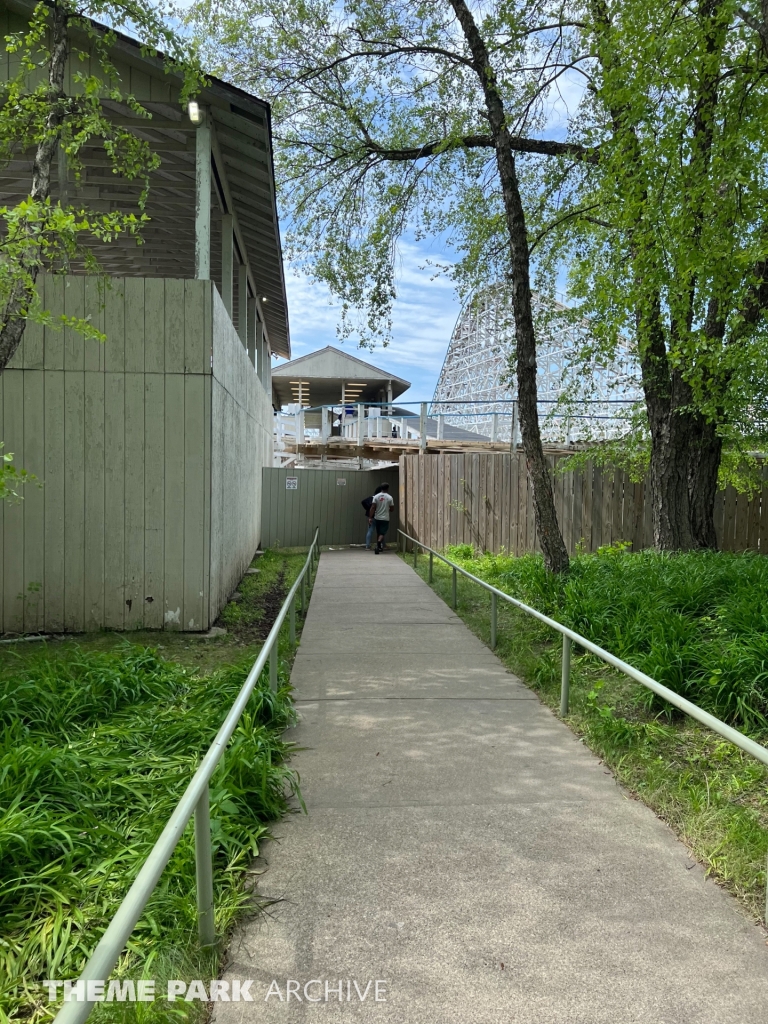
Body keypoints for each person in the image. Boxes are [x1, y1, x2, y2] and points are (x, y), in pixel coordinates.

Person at [368, 482, 394, 554]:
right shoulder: (389, 497)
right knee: (382, 533)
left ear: (381, 488)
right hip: (385, 518)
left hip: (377, 517)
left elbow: (373, 507)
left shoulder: (376, 497)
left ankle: (378, 547)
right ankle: (379, 543)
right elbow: (392, 509)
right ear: (387, 488)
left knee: (378, 532)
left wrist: (370, 517)